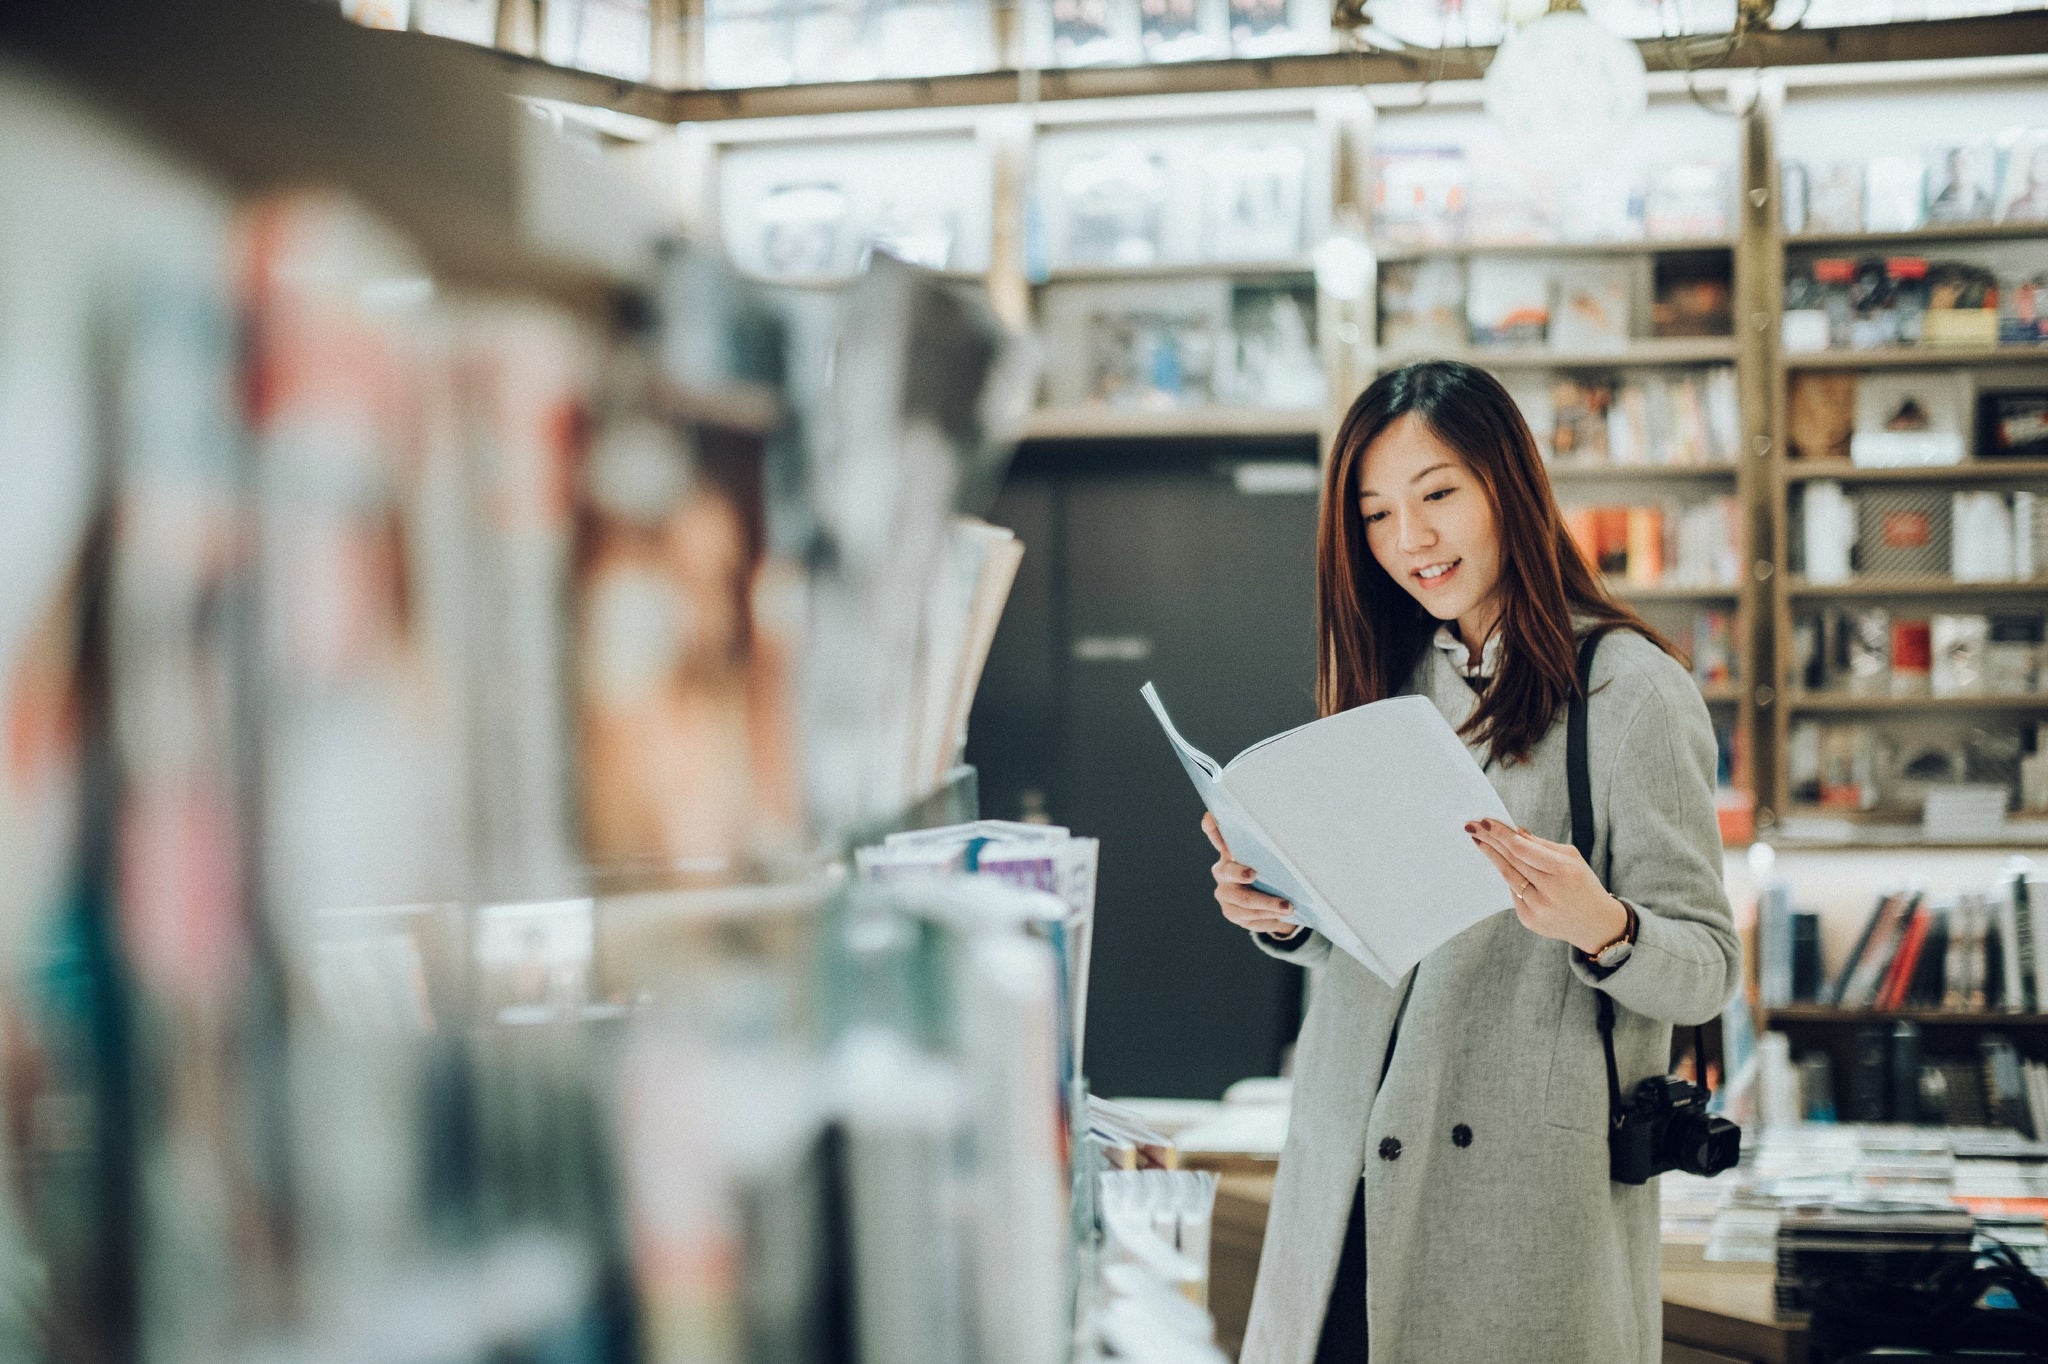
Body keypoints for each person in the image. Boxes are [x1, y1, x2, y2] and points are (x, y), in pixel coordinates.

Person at [1205, 360, 1740, 1364]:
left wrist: (1602, 924)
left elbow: (1707, 963)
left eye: (1436, 494)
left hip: (1510, 1216)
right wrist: (1281, 904)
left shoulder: (1629, 691)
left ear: (1508, 485)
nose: (1408, 540)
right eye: (1372, 513)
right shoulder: (1388, 682)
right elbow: (1380, 930)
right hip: (1344, 1187)